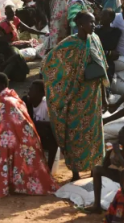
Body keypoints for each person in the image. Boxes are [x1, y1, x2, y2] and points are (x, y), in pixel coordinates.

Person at [0, 72, 57, 196]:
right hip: (23, 142)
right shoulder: (9, 98)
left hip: (20, 144)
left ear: (2, 85)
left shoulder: (6, 102)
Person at [42, 11, 107, 181]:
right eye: (90, 23)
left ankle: (94, 169)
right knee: (75, 134)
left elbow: (103, 70)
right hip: (76, 97)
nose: (93, 25)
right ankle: (76, 173)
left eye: (94, 22)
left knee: (94, 134)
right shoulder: (69, 44)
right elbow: (50, 63)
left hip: (94, 97)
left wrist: (105, 97)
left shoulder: (96, 40)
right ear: (80, 25)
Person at [85, 125, 124, 214]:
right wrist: (109, 152)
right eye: (119, 136)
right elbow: (105, 165)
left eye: (122, 137)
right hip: (120, 176)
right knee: (97, 169)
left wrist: (119, 154)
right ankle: (97, 205)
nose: (119, 139)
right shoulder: (121, 148)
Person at [21, 80, 57, 169]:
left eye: (32, 90)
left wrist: (36, 124)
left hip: (46, 137)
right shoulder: (26, 103)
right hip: (32, 136)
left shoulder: (46, 105)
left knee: (53, 141)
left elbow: (55, 125)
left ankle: (49, 169)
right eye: (29, 89)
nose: (29, 92)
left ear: (41, 94)